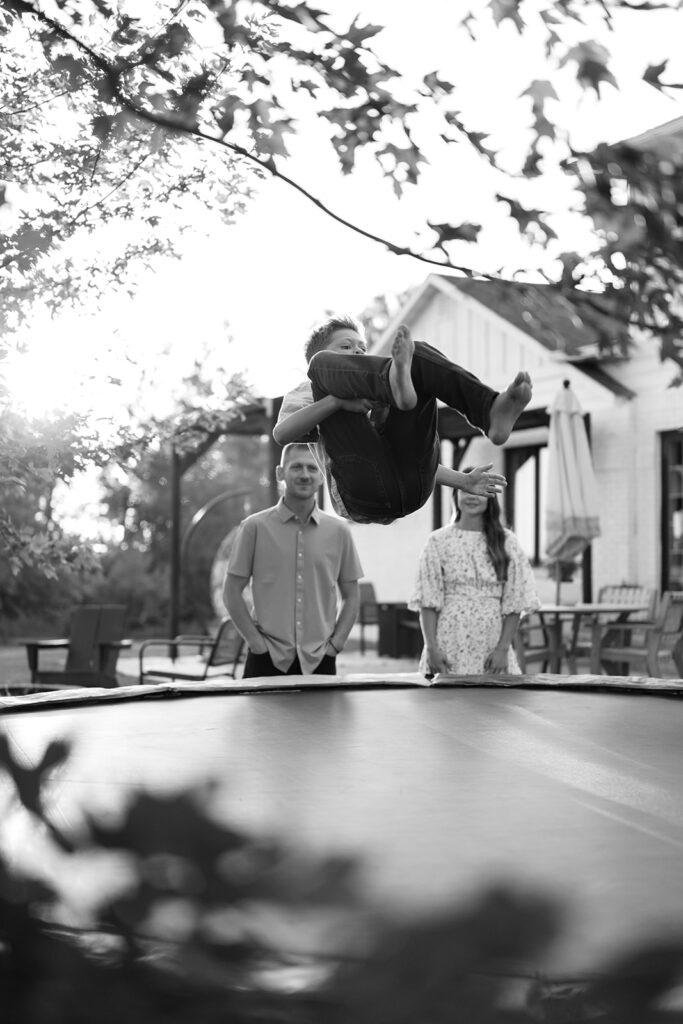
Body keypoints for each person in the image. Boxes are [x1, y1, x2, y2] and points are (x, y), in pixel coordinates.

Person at [273, 315, 532, 525]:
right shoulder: (308, 388)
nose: (357, 352)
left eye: (362, 348)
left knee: (416, 354)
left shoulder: (380, 380)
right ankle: (392, 386)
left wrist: (462, 481)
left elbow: (402, 453)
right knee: (324, 366)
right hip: (363, 493)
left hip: (413, 486)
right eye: (346, 346)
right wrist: (336, 402)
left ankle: (489, 412)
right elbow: (283, 435)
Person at [224, 443, 363, 678]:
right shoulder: (254, 528)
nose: (305, 475)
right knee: (261, 718)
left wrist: (335, 645)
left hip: (320, 660)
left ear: (322, 475)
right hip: (266, 659)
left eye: (312, 468)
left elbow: (351, 595)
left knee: (321, 718)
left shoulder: (339, 532)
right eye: (296, 467)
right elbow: (231, 592)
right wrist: (257, 644)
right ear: (281, 473)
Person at [409, 473, 540, 677]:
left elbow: (515, 600)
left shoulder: (507, 541)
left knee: (496, 704)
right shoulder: (437, 541)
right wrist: (432, 648)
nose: (472, 497)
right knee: (445, 705)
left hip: (492, 643)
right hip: (448, 641)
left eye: (479, 492)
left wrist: (503, 649)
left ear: (491, 498)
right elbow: (428, 600)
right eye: (465, 490)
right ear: (455, 497)